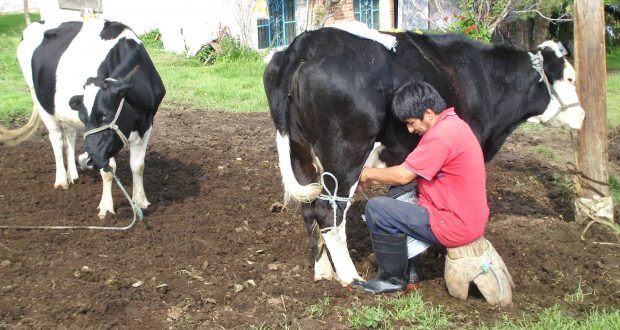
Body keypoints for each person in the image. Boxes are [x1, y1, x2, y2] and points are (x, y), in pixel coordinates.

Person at [352, 81, 489, 294]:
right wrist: (374, 179)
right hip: (466, 215)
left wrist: (364, 174)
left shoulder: (440, 137)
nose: (410, 129)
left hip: (455, 224)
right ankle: (411, 269)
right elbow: (405, 176)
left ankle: (391, 279)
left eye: (411, 122)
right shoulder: (454, 124)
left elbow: (402, 174)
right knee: (398, 192)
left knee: (376, 209)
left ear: (428, 113)